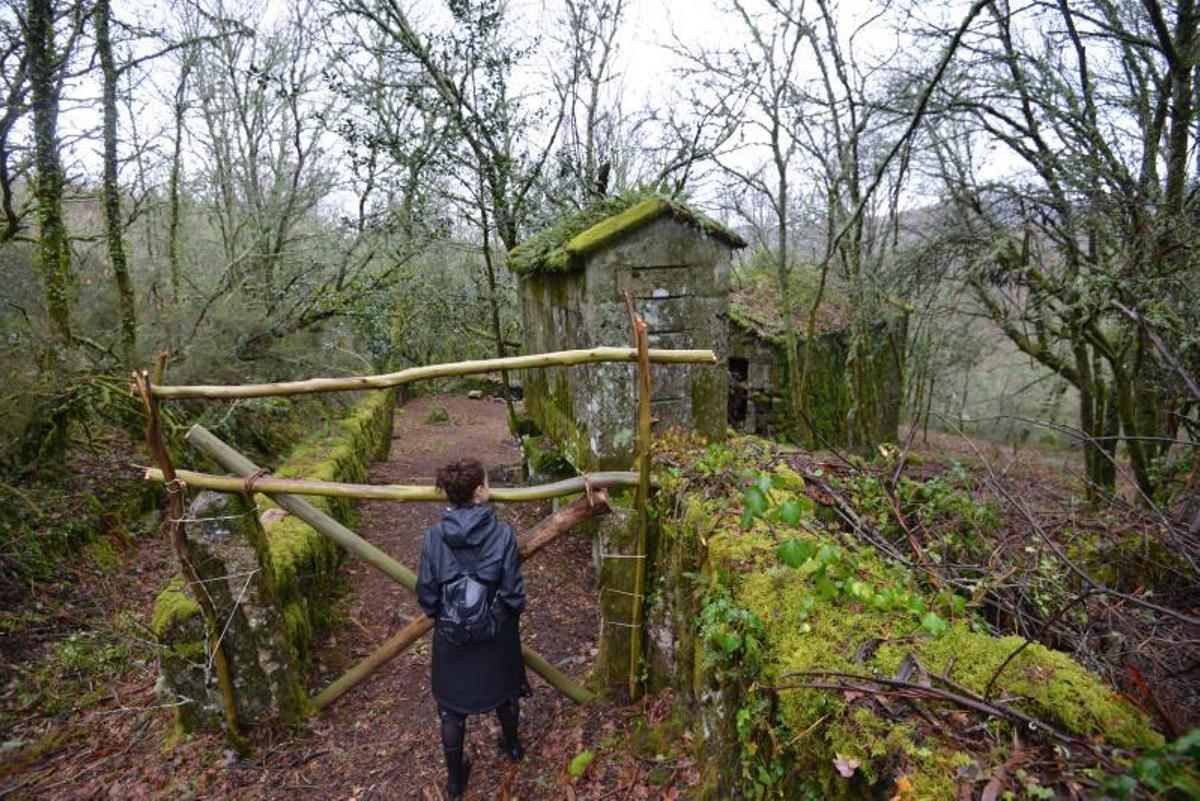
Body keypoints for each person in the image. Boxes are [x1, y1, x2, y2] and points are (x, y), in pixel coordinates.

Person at [417, 458, 528, 799]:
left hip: (451, 640)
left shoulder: (434, 537)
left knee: (452, 710)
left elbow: (426, 595)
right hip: (496, 638)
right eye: (488, 482)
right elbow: (513, 596)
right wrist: (492, 623)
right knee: (505, 694)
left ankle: (454, 782)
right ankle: (512, 747)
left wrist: (453, 619)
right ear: (480, 491)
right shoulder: (503, 533)